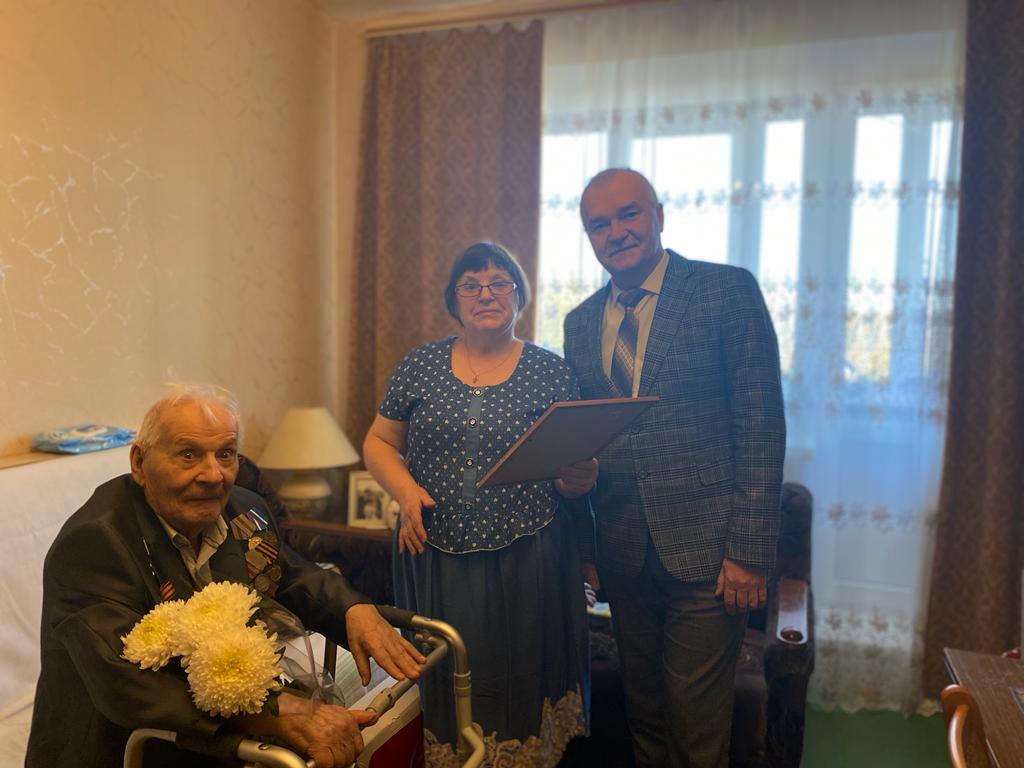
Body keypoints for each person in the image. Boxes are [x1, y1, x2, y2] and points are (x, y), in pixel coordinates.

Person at [26, 385, 426, 768]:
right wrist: (276, 712)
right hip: (122, 748)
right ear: (139, 463)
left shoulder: (243, 509)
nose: (213, 474)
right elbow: (124, 682)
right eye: (188, 454)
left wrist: (353, 610)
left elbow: (287, 576)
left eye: (226, 454)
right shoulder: (95, 543)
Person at [562, 168, 786, 768]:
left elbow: (761, 425)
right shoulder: (579, 323)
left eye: (629, 214)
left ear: (659, 215)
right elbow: (580, 444)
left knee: (696, 729)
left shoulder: (724, 291)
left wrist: (749, 553)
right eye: (599, 224)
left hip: (711, 558)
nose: (616, 232)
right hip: (623, 555)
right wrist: (586, 549)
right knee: (647, 718)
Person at [363, 241, 598, 766]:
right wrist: (405, 490)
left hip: (528, 555)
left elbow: (575, 474)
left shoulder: (552, 372)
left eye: (499, 283)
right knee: (443, 671)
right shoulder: (420, 364)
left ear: (519, 295)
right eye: (471, 285)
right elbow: (378, 442)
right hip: (434, 555)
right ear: (454, 299)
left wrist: (582, 478)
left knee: (519, 669)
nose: (485, 294)